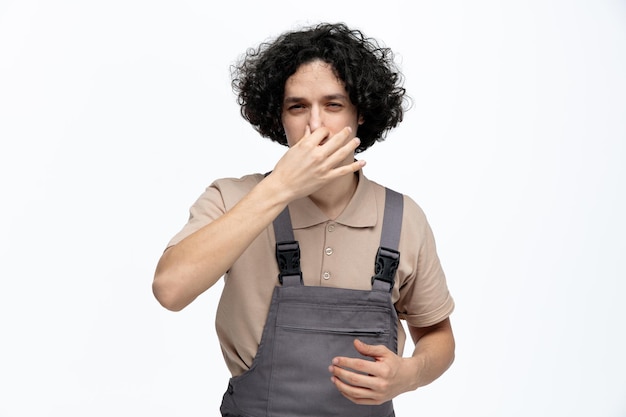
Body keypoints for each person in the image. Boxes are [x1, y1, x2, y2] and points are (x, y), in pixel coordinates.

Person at [153, 22, 455, 417]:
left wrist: (411, 373)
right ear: (278, 117)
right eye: (297, 107)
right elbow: (169, 291)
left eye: (333, 105)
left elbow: (437, 334)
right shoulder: (232, 198)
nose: (315, 125)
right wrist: (279, 188)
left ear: (360, 113)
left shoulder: (403, 218)